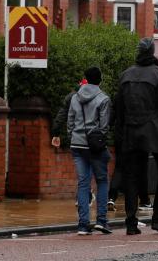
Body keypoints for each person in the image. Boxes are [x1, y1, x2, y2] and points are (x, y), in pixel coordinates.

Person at [115, 38, 158, 235]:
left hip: (131, 132)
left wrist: (119, 133)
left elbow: (118, 108)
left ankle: (131, 223)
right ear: (152, 52)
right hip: (154, 131)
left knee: (131, 177)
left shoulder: (125, 75)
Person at [67, 66, 112, 235]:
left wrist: (73, 135)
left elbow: (70, 121)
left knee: (83, 183)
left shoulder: (74, 97)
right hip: (94, 146)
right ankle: (101, 220)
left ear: (85, 78)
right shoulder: (103, 99)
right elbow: (104, 126)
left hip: (77, 144)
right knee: (102, 181)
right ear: (100, 80)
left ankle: (83, 224)